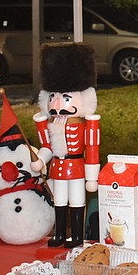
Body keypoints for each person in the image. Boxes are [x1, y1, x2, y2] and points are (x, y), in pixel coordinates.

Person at [32, 42, 101, 248]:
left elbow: (91, 150)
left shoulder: (87, 125)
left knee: (77, 202)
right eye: (53, 97)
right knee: (59, 202)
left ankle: (77, 236)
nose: (57, 104)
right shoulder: (49, 123)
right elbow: (47, 147)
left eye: (66, 98)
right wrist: (41, 160)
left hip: (78, 169)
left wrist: (91, 178)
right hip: (58, 170)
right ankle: (60, 234)